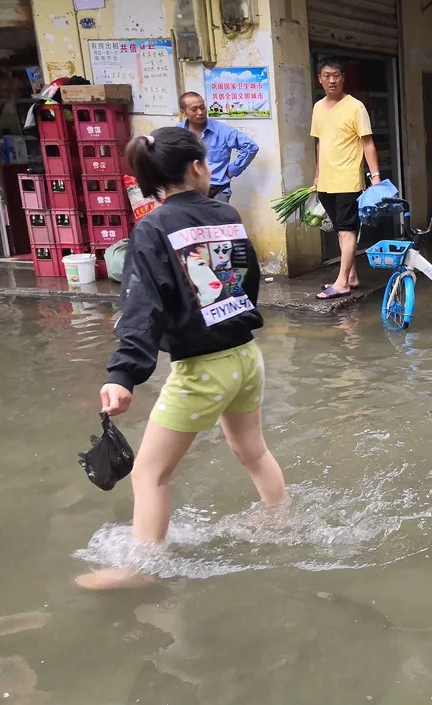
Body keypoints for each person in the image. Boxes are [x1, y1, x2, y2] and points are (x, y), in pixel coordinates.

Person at [77, 127, 287, 590]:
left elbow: (141, 306)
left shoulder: (152, 228)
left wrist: (123, 375)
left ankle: (141, 569)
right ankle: (282, 519)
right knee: (252, 451)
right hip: (246, 358)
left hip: (201, 371)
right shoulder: (226, 214)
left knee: (150, 474)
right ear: (197, 168)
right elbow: (246, 279)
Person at [310, 58, 381, 300]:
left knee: (346, 231)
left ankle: (341, 283)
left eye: (337, 75)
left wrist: (376, 177)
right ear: (319, 79)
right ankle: (351, 276)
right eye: (327, 75)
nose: (332, 80)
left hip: (349, 179)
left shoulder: (355, 107)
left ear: (343, 78)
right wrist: (317, 175)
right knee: (340, 231)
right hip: (327, 181)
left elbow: (367, 142)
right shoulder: (318, 107)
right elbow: (320, 142)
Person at [177, 92, 259, 203]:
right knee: (190, 220)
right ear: (183, 112)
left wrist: (232, 170)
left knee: (220, 220)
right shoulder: (177, 133)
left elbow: (251, 147)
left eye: (203, 108)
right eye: (194, 109)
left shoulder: (222, 130)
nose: (200, 112)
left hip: (218, 189)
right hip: (188, 190)